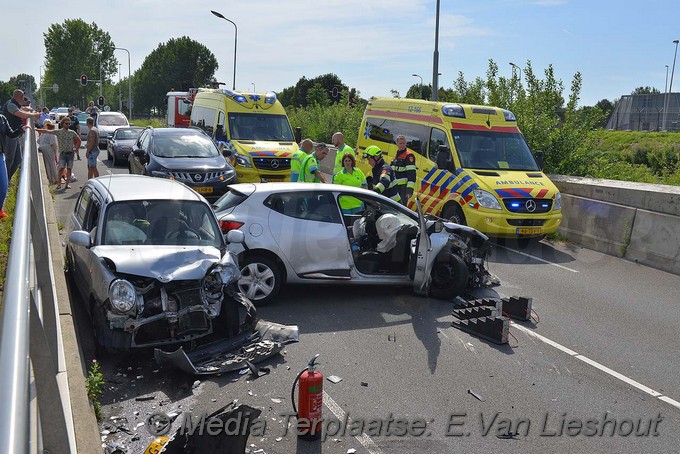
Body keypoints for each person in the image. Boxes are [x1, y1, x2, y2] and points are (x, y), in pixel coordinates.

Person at [2, 89, 40, 181]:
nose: (24, 99)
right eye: (23, 97)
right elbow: (22, 115)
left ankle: (9, 179)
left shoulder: (13, 103)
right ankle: (5, 182)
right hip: (10, 135)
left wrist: (29, 109)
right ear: (20, 97)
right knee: (9, 159)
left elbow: (21, 109)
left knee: (18, 160)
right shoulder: (10, 105)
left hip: (15, 134)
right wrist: (34, 114)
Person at [36, 117, 81, 190]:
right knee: (61, 169)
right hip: (63, 153)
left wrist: (76, 148)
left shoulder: (72, 132)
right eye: (66, 123)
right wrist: (37, 129)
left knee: (69, 169)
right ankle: (59, 184)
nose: (68, 125)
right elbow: (47, 131)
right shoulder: (59, 132)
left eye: (69, 124)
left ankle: (67, 185)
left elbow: (78, 140)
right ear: (62, 124)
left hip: (70, 154)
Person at [0, 113, 28, 220]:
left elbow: (11, 134)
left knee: (4, 186)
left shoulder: (2, 118)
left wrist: (21, 129)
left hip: (0, 155)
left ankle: (0, 210)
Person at [390, 135, 416, 207]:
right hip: (395, 187)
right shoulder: (396, 155)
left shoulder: (409, 156)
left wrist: (409, 189)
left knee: (401, 208)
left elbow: (412, 174)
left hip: (403, 188)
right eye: (400, 143)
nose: (402, 145)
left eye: (404, 143)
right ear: (397, 144)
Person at [37, 120, 59, 184]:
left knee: (47, 164)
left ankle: (50, 179)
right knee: (52, 164)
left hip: (42, 147)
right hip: (48, 148)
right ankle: (56, 179)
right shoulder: (51, 133)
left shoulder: (43, 133)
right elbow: (53, 144)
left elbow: (38, 141)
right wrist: (55, 153)